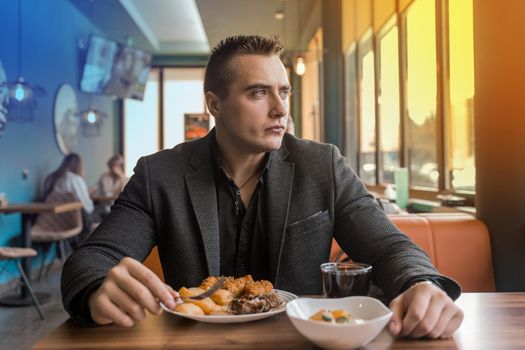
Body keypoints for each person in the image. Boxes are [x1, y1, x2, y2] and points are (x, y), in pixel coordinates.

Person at [61, 35, 463, 338]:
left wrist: (419, 283)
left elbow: (390, 247)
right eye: (259, 92)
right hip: (195, 345)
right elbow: (92, 258)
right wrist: (97, 290)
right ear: (214, 104)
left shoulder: (322, 165)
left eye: (284, 91)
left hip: (300, 343)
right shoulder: (159, 175)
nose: (281, 108)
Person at [43, 153, 94, 248]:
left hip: (53, 220)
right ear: (79, 165)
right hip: (74, 221)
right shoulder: (76, 179)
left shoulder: (53, 178)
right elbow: (86, 205)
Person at [91, 154, 128, 222]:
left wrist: (121, 177)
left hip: (117, 211)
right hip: (102, 208)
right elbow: (94, 192)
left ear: (121, 167)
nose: (113, 169)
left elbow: (123, 195)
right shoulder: (104, 176)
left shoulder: (126, 180)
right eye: (111, 166)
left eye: (115, 166)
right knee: (92, 220)